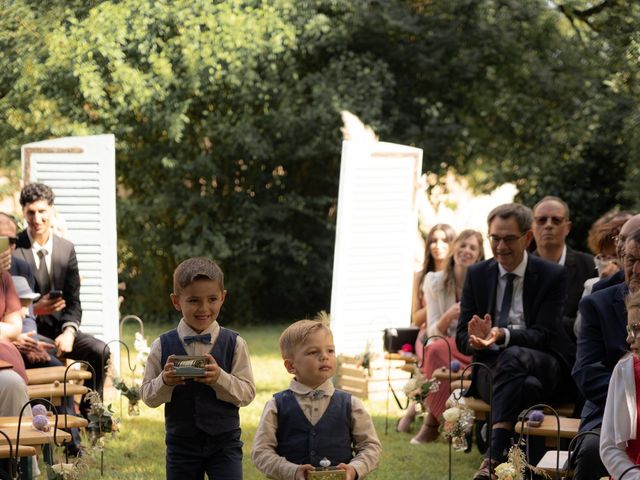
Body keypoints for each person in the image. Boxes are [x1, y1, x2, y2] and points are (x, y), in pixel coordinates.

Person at [455, 203, 574, 480]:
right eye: (494, 238)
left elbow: (545, 334)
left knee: (514, 356)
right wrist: (476, 340)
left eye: (508, 238)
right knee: (526, 388)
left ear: (527, 238)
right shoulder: (478, 274)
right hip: (492, 373)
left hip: (542, 364)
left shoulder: (551, 275)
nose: (500, 246)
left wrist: (501, 335)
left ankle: (493, 456)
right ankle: (519, 468)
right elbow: (461, 338)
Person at [141, 257, 255, 480]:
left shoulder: (235, 344)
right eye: (193, 300)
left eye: (212, 299)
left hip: (225, 443)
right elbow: (147, 396)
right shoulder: (161, 345)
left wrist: (219, 378)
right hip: (181, 444)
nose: (204, 308)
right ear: (176, 301)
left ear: (223, 298)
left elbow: (248, 393)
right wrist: (165, 380)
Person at [13, 183, 109, 401]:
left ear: (51, 210)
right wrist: (35, 309)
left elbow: (74, 301)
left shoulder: (66, 249)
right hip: (29, 333)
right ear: (23, 212)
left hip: (60, 332)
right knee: (55, 368)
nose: (36, 219)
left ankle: (92, 415)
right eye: (31, 212)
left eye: (42, 212)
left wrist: (69, 332)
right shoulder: (14, 247)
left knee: (100, 351)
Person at [251, 319, 381, 479]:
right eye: (313, 352)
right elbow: (260, 452)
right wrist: (291, 471)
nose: (324, 357)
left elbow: (370, 447)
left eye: (330, 351)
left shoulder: (351, 404)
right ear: (291, 366)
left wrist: (354, 469)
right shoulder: (276, 405)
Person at [572, 225, 640, 479]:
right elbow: (586, 372)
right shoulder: (597, 304)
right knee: (592, 451)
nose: (637, 270)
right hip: (606, 412)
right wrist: (628, 402)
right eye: (632, 260)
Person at [409, 229, 485, 444]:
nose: (466, 251)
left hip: (472, 348)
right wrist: (448, 316)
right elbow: (432, 331)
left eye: (472, 247)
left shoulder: (485, 282)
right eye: (462, 245)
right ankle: (449, 423)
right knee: (435, 348)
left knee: (438, 350)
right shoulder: (434, 281)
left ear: (479, 255)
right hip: (444, 344)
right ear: (454, 249)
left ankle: (433, 424)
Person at [398, 223, 456, 433]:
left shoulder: (458, 275)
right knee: (430, 345)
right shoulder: (421, 276)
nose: (437, 245)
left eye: (443, 240)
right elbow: (415, 316)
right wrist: (433, 297)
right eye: (433, 240)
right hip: (426, 331)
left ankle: (415, 411)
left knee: (440, 349)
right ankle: (419, 411)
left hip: (451, 332)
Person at [531, 196, 596, 341]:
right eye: (541, 220)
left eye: (556, 220)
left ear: (567, 227)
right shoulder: (522, 268)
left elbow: (591, 322)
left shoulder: (589, 265)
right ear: (532, 226)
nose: (548, 225)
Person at [600, 288, 640, 479]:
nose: (629, 338)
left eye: (637, 329)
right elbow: (609, 448)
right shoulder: (625, 371)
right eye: (628, 329)